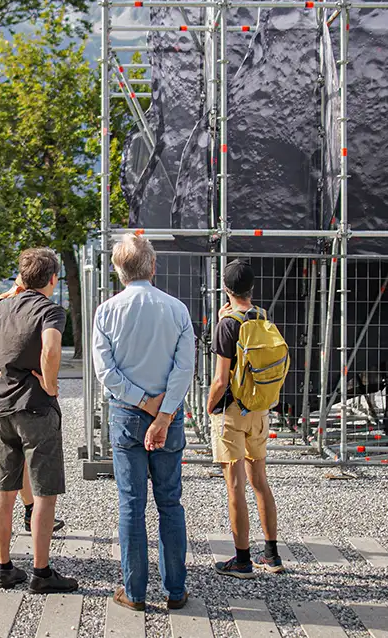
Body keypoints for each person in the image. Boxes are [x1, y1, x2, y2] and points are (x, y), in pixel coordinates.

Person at [0, 248, 77, 594]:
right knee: (43, 492)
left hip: (2, 408)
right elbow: (51, 349)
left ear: (22, 276)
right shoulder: (51, 310)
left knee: (4, 488)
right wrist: (51, 383)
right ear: (53, 280)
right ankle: (42, 572)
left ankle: (4, 566)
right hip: (37, 408)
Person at [92, 233, 195, 613]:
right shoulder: (177, 309)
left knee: (131, 503)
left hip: (127, 413)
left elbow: (106, 370)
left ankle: (134, 592)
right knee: (170, 502)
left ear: (118, 272)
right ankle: (176, 590)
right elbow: (185, 368)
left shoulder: (106, 311)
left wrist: (142, 402)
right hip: (168, 417)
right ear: (153, 266)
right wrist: (164, 412)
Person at [206, 259, 283, 577]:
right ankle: (272, 555)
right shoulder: (262, 317)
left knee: (235, 485)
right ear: (251, 289)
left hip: (232, 411)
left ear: (226, 289)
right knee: (260, 482)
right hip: (259, 408)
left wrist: (209, 406)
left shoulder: (227, 325)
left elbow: (221, 380)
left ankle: (241, 560)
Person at [0, 284, 65, 536]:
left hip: (2, 401)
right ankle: (40, 564)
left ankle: (5, 558)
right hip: (29, 401)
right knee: (35, 482)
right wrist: (51, 383)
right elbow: (51, 349)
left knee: (6, 482)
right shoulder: (18, 307)